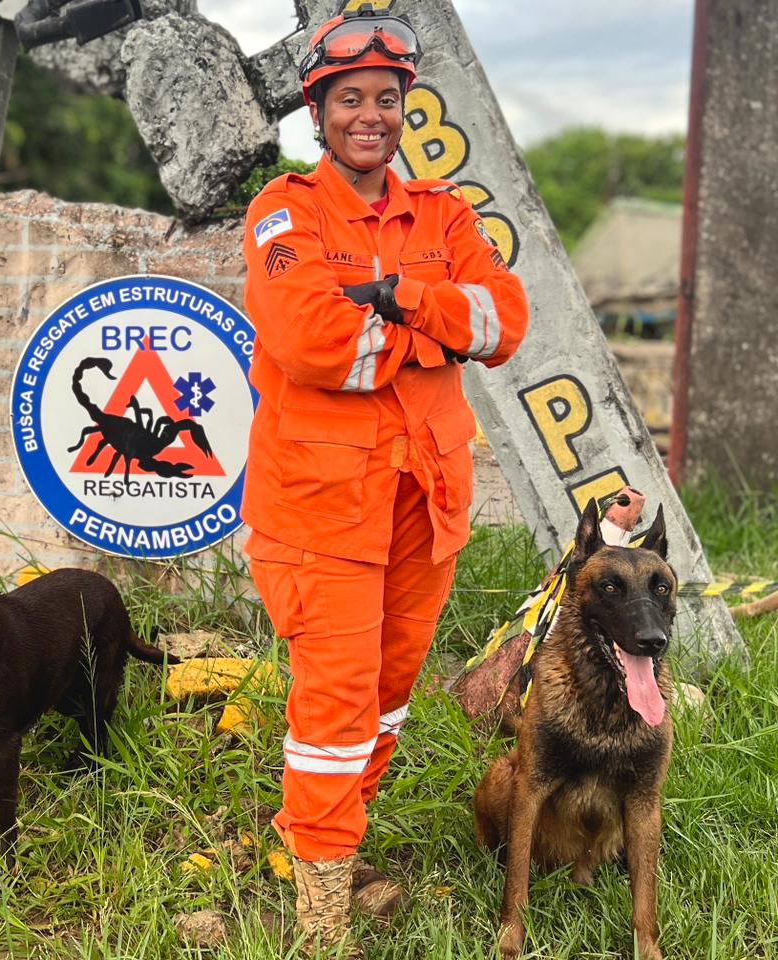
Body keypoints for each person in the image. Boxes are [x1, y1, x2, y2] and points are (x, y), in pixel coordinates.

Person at [240, 8, 529, 950]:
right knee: (333, 706)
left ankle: (326, 840)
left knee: (388, 697)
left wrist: (402, 299)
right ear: (317, 113)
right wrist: (431, 336)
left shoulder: (445, 214)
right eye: (349, 99)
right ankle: (321, 917)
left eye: (388, 99)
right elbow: (309, 340)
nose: (371, 115)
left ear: (405, 108)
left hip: (426, 502)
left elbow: (504, 322)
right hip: (324, 511)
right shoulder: (286, 212)